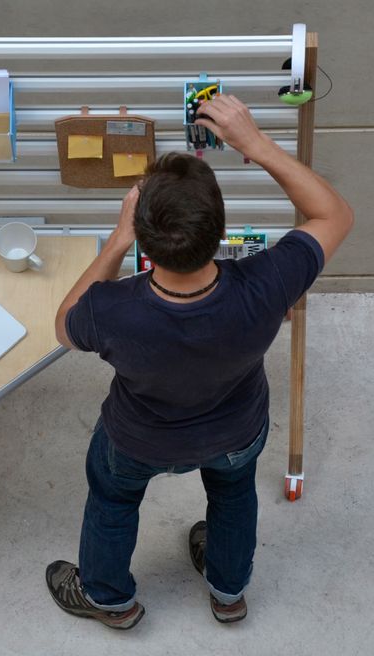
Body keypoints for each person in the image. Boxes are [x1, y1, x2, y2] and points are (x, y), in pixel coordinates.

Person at [45, 94, 354, 629]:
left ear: (145, 240)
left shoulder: (109, 309)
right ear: (219, 231)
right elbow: (335, 214)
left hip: (136, 441)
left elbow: (63, 326)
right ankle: (228, 594)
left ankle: (109, 600)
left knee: (113, 501)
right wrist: (255, 144)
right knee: (233, 498)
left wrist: (118, 239)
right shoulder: (267, 283)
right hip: (235, 434)